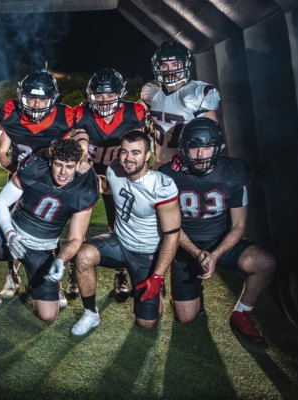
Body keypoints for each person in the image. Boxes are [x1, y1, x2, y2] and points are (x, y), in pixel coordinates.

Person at [0, 139, 99, 351]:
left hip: (43, 249)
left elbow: (76, 238)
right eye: (58, 164)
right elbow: (1, 203)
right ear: (50, 162)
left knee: (48, 315)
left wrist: (60, 260)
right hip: (15, 235)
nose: (63, 172)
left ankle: (37, 281)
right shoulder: (34, 167)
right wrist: (9, 234)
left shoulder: (85, 187)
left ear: (78, 165)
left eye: (70, 166)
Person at [158, 118, 276, 343]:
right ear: (184, 148)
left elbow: (239, 225)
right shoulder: (168, 175)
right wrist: (196, 253)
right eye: (194, 147)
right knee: (185, 317)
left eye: (207, 146)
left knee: (265, 262)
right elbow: (170, 226)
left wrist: (215, 254)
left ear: (218, 147)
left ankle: (242, 312)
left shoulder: (233, 171)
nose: (201, 153)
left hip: (220, 242)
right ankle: (195, 289)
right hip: (184, 246)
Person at [71, 130, 181, 336]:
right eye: (124, 152)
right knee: (84, 255)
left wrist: (157, 276)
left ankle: (156, 294)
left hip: (146, 252)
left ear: (147, 156)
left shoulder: (161, 186)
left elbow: (173, 235)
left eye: (136, 152)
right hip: (120, 243)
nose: (129, 158)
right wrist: (86, 175)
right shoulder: (114, 169)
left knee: (146, 323)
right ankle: (90, 313)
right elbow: (107, 187)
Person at [0, 69, 74, 304]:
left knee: (50, 230)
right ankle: (13, 277)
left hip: (50, 185)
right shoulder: (11, 116)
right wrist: (20, 174)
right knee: (14, 227)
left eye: (42, 98)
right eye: (31, 98)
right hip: (21, 182)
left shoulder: (64, 119)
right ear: (22, 97)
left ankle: (52, 281)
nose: (37, 104)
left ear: (52, 99)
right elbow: (1, 153)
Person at [73, 68, 146, 302]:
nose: (104, 99)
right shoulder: (81, 113)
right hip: (88, 172)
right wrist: (84, 161)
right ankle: (75, 274)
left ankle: (120, 273)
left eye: (110, 94)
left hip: (120, 173)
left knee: (120, 225)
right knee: (77, 227)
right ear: (90, 94)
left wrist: (124, 177)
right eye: (99, 94)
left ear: (120, 93)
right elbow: (81, 140)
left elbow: (139, 149)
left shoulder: (133, 112)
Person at [141, 40, 220, 168]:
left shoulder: (197, 93)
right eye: (164, 65)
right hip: (159, 164)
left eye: (175, 64)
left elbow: (211, 138)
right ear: (157, 67)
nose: (169, 70)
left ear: (185, 65)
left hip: (187, 166)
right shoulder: (151, 92)